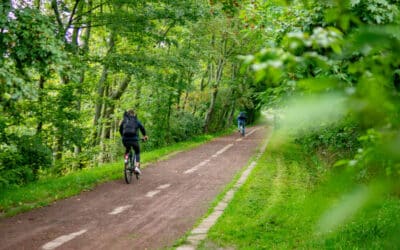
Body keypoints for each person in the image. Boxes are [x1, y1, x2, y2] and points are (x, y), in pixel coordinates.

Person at [119, 110, 148, 175]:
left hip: (125, 140)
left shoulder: (124, 120)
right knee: (137, 152)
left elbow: (120, 129)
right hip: (134, 140)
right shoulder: (136, 120)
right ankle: (137, 167)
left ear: (128, 114)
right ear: (133, 114)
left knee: (127, 149)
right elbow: (142, 128)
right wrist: (145, 136)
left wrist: (123, 136)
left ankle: (126, 159)